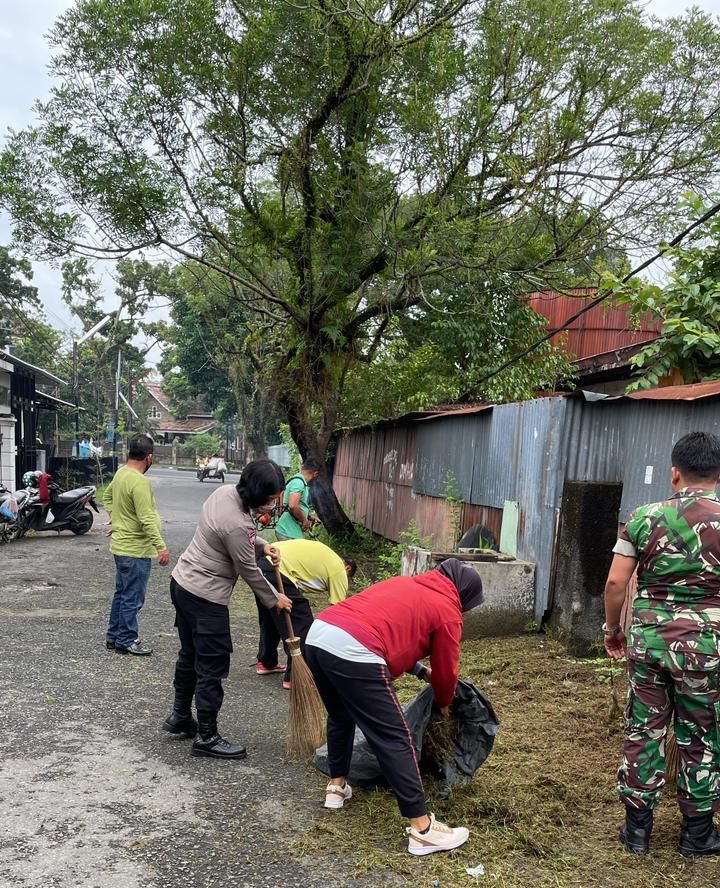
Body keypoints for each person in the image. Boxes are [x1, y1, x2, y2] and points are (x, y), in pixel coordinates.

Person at [305, 557, 483, 856]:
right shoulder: (448, 611)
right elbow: (447, 673)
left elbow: (383, 628)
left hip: (320, 634)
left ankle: (336, 788)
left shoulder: (407, 583)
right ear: (464, 594)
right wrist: (443, 703)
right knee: (395, 738)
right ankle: (423, 830)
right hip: (355, 650)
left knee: (340, 715)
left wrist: (418, 671)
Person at [603, 431, 720, 857]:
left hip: (649, 643)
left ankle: (636, 832)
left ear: (674, 474)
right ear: (717, 475)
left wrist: (612, 630)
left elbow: (617, 582)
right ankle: (698, 834)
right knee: (702, 734)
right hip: (708, 648)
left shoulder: (642, 517)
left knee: (644, 729)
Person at [163, 458, 293, 760]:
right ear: (258, 493)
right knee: (211, 664)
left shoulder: (224, 494)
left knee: (189, 654)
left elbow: (240, 537)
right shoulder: (238, 523)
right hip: (205, 597)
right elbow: (248, 569)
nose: (273, 503)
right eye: (272, 498)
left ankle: (180, 716)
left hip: (182, 583)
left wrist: (262, 544)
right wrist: (276, 599)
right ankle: (207, 737)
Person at [254, 538, 357, 688]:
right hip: (279, 567)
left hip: (263, 562)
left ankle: (267, 662)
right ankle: (296, 676)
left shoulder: (326, 556)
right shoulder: (340, 570)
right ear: (348, 569)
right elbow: (336, 611)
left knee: (272, 618)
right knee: (302, 624)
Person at [104, 435, 170, 656]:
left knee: (121, 593)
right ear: (149, 457)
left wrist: (117, 518)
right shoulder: (140, 482)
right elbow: (146, 519)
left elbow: (107, 496)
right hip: (135, 550)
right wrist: (161, 547)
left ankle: (113, 636)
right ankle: (126, 639)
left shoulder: (121, 473)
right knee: (132, 597)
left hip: (121, 547)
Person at [274, 457, 322, 540]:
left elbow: (295, 505)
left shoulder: (298, 481)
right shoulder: (298, 482)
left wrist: (309, 517)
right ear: (316, 473)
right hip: (288, 531)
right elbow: (293, 505)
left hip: (289, 530)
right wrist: (304, 520)